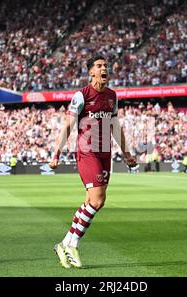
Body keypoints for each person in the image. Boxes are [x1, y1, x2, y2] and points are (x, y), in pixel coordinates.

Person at [49, 55, 137, 269]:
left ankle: (64, 243)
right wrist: (56, 153)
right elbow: (68, 125)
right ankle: (73, 244)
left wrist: (126, 153)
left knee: (95, 201)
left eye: (105, 65)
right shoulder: (81, 96)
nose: (103, 68)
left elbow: (115, 126)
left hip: (105, 152)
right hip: (87, 152)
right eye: (99, 66)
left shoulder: (112, 96)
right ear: (91, 73)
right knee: (96, 201)